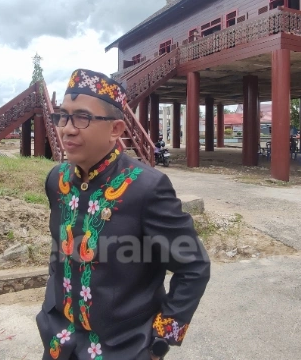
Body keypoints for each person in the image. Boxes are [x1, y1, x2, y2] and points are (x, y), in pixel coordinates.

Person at [39, 69, 210, 360]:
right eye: (63, 116)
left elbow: (193, 267)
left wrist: (159, 343)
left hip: (124, 348)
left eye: (82, 117)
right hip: (60, 344)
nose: (67, 128)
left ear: (116, 129)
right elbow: (60, 254)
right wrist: (51, 309)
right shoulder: (57, 180)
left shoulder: (146, 187)